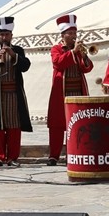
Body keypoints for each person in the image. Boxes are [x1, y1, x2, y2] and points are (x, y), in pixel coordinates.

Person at [0, 16, 32, 166]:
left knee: (14, 125)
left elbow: (26, 66)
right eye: (1, 35)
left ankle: (12, 158)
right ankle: (0, 156)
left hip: (14, 94)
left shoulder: (18, 50)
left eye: (7, 34)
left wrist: (13, 55)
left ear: (11, 35)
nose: (4, 37)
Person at [46, 13, 93, 166]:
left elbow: (87, 68)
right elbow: (58, 62)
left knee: (77, 123)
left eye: (74, 33)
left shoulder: (78, 50)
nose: (73, 36)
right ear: (63, 35)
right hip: (61, 92)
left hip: (77, 91)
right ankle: (54, 156)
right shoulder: (56, 49)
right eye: (70, 33)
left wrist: (84, 56)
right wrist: (73, 52)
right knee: (57, 125)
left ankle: (74, 153)